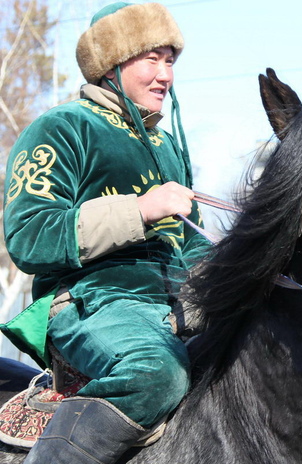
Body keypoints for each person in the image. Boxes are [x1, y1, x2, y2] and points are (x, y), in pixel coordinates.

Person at [2, 3, 208, 463]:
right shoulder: (63, 128)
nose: (165, 76)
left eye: (170, 60)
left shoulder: (165, 144)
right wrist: (139, 210)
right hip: (92, 302)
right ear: (111, 64)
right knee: (157, 372)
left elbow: (187, 240)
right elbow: (29, 234)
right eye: (150, 59)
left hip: (174, 302)